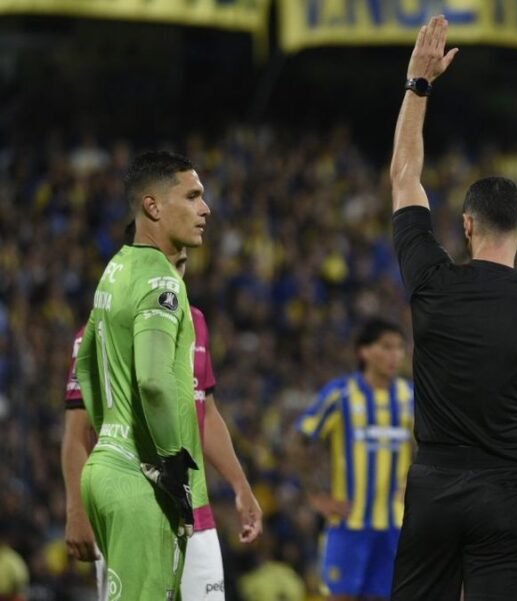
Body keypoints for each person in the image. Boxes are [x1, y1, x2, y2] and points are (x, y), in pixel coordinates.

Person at [388, 15, 517, 600]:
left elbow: (404, 176)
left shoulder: (431, 281)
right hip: (510, 489)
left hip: (435, 483)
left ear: (467, 225)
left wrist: (418, 84)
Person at [62, 246, 262, 601]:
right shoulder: (100, 329)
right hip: (130, 511)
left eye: (180, 265)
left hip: (194, 514)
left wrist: (240, 485)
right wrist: (77, 510)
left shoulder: (195, 322)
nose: (173, 274)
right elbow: (77, 433)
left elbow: (205, 412)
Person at [74, 150, 211, 599]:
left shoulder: (115, 269)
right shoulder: (162, 282)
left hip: (106, 466)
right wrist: (171, 463)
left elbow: (85, 365)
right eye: (192, 196)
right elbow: (153, 382)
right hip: (141, 479)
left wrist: (112, 434)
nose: (205, 209)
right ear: (152, 206)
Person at [295, 318, 414, 601]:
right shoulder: (341, 394)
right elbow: (298, 441)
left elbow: (429, 447)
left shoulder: (410, 397)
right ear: (364, 351)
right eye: (386, 347)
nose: (395, 355)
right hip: (349, 523)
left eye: (399, 347)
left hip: (396, 525)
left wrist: (415, 483)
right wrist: (316, 496)